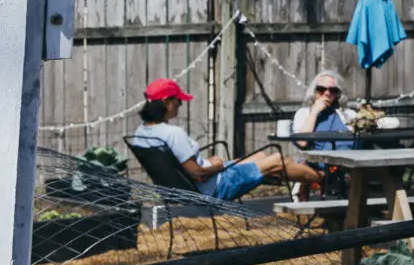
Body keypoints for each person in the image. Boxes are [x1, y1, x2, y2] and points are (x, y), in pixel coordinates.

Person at [128, 78, 321, 200]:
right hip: (214, 188)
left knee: (260, 156)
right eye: (178, 101)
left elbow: (188, 169)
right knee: (278, 161)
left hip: (188, 187)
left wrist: (208, 164)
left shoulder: (141, 133)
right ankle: (323, 180)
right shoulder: (172, 133)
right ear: (166, 102)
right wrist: (216, 166)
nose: (180, 105)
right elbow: (197, 173)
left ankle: (301, 182)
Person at [285, 71, 356, 151]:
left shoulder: (348, 114)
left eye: (332, 90)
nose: (327, 93)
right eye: (321, 89)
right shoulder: (304, 113)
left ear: (338, 94)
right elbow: (302, 142)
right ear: (314, 91)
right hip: (315, 161)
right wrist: (314, 112)